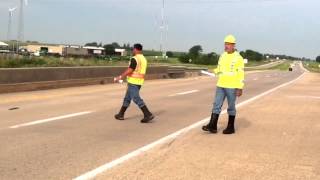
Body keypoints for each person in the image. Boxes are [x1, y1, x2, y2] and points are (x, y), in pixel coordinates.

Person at [202, 35, 245, 134]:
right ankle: (212, 125)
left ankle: (231, 127)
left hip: (232, 86)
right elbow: (220, 69)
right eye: (225, 44)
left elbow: (241, 73)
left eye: (228, 44)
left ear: (233, 45)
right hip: (221, 84)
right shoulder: (222, 55)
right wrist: (213, 71)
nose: (226, 46)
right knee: (216, 105)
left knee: (231, 106)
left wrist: (240, 87)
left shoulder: (238, 58)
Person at [114, 43, 154, 123]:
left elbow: (130, 70)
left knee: (136, 98)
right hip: (139, 82)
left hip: (133, 82)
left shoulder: (135, 58)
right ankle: (121, 114)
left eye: (133, 49)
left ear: (135, 49)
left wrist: (120, 77)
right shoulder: (143, 59)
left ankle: (147, 114)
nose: (133, 50)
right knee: (127, 98)